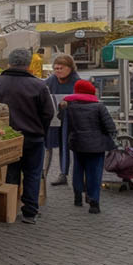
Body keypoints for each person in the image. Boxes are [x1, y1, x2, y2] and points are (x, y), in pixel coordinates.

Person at [0, 48, 55, 224]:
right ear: (28, 64)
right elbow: (48, 113)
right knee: (32, 174)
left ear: (9, 62)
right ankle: (30, 212)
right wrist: (42, 129)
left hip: (6, 136)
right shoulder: (39, 85)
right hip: (33, 137)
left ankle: (9, 209)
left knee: (11, 172)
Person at [63, 80, 115, 214]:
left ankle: (77, 197)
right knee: (94, 173)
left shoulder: (70, 106)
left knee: (78, 170)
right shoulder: (99, 107)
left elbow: (63, 121)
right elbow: (110, 127)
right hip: (96, 146)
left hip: (77, 144)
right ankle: (94, 202)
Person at [44, 54, 80, 186]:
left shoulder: (76, 81)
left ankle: (66, 174)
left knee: (66, 145)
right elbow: (42, 90)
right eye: (56, 68)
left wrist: (69, 103)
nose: (58, 71)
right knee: (50, 144)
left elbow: (83, 98)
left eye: (61, 68)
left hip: (71, 118)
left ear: (70, 68)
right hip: (54, 117)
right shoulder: (51, 80)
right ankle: (44, 175)